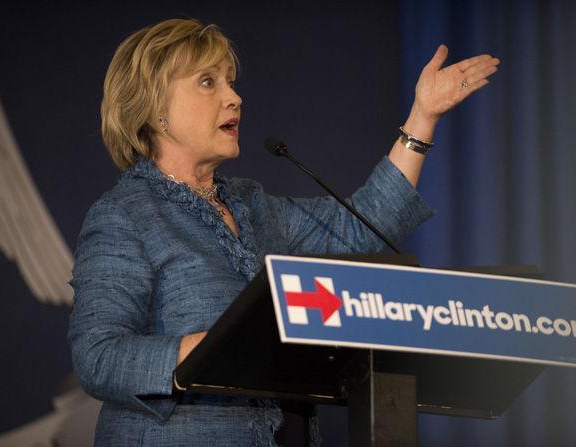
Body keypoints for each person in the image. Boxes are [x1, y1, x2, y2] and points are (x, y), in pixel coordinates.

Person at [68, 18, 499, 447]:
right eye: (207, 82)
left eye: (231, 82)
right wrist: (217, 348)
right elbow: (98, 356)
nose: (234, 97)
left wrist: (422, 118)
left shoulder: (252, 205)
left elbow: (361, 227)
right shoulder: (125, 215)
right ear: (154, 107)